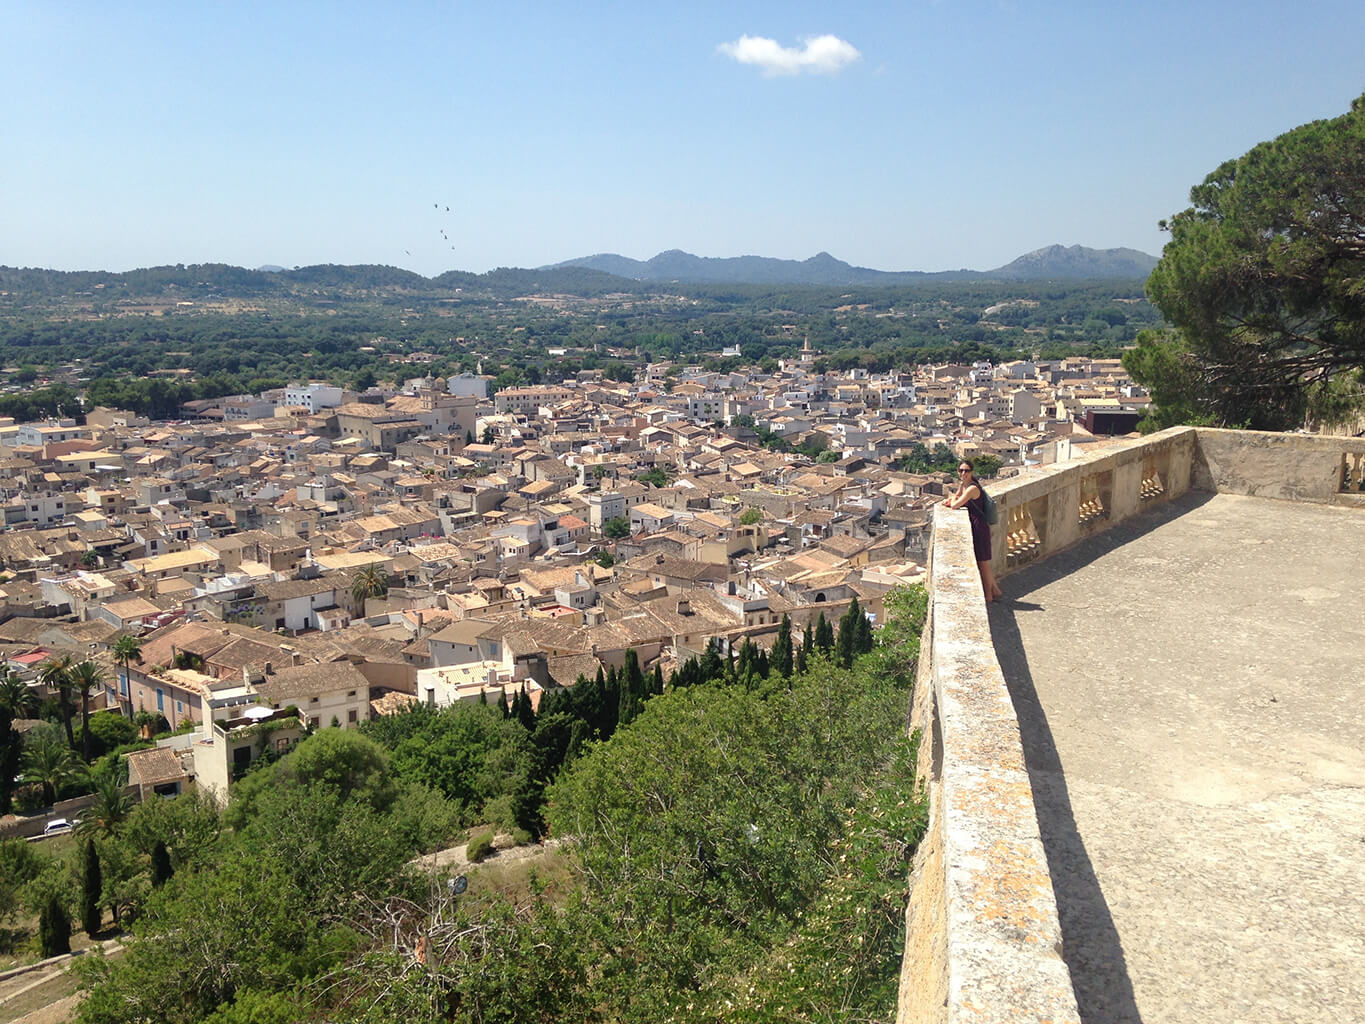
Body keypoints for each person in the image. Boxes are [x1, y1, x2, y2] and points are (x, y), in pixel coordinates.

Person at [942, 461, 1004, 602]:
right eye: (961, 470)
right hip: (975, 525)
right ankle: (995, 590)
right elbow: (955, 498)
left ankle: (988, 595)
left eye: (967, 470)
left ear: (972, 472)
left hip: (979, 527)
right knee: (982, 561)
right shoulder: (963, 485)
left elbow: (955, 504)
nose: (963, 473)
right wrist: (952, 500)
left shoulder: (971, 488)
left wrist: (951, 502)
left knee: (983, 562)